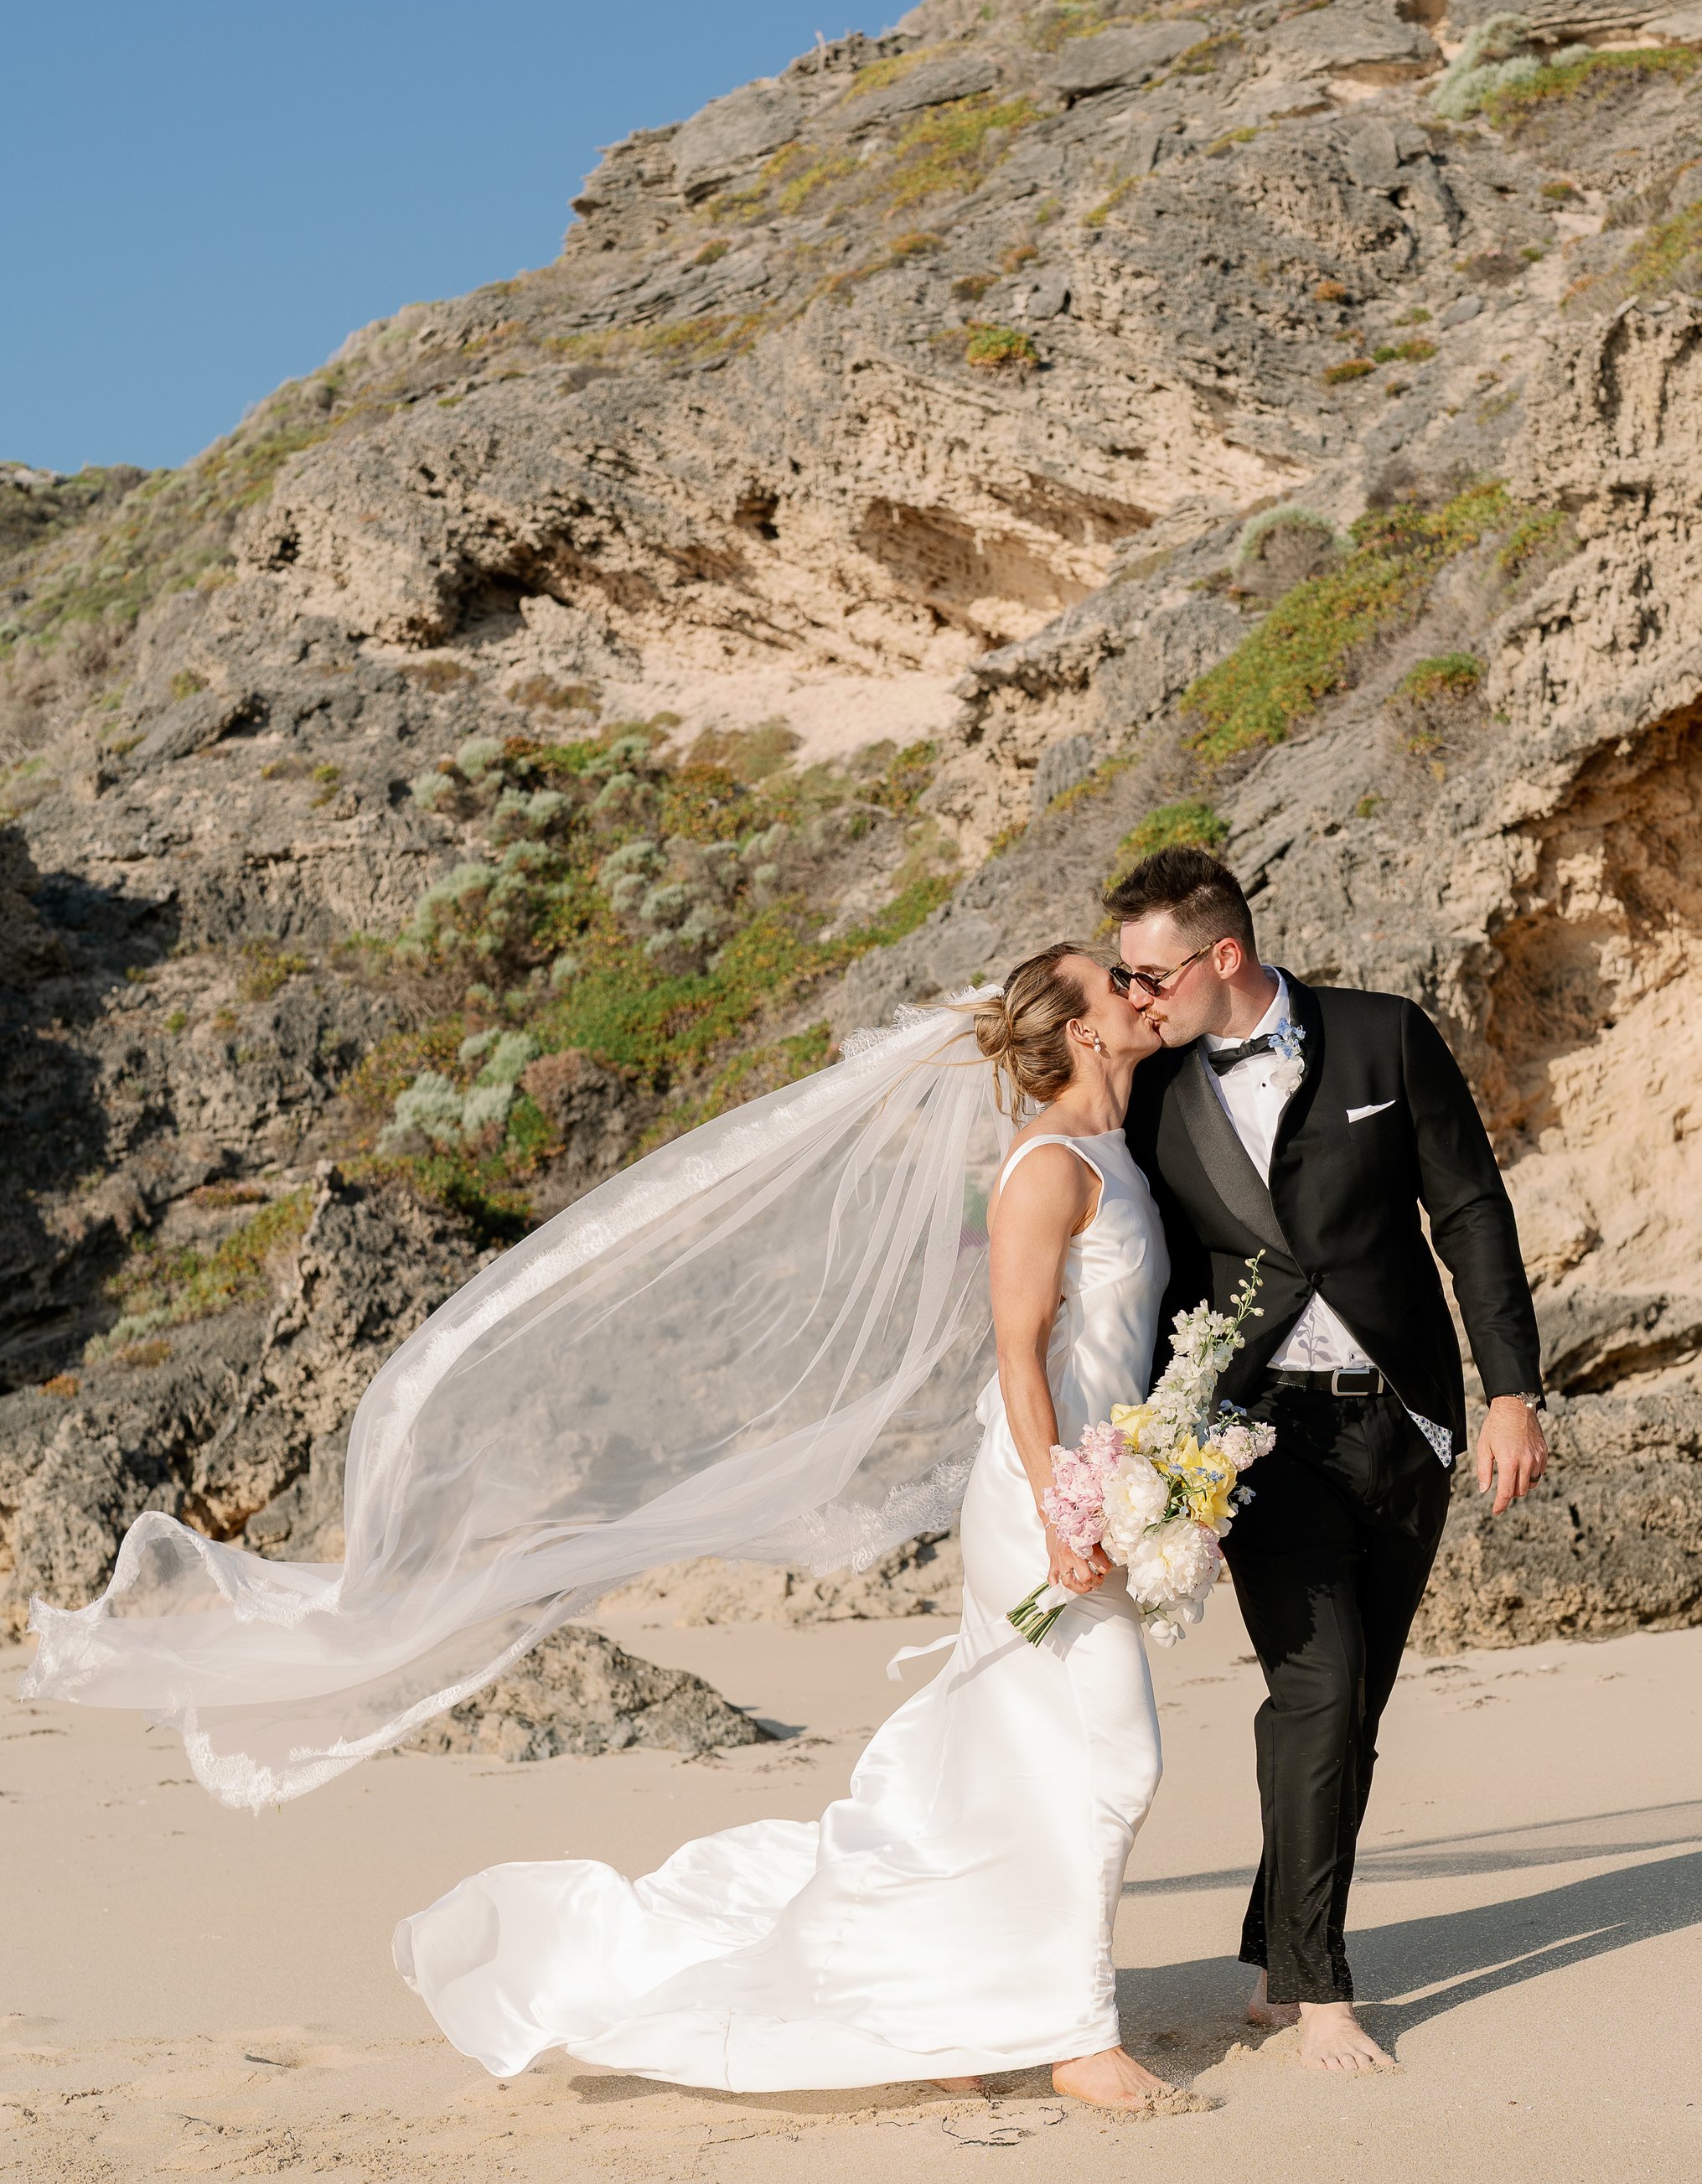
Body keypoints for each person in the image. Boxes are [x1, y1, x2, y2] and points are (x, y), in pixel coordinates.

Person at [27, 950, 1177, 2107]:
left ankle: (952, 2011)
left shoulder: (1119, 1145)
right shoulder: (1046, 1169)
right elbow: (1018, 1355)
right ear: (1079, 1030)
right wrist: (1062, 1505)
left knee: (1007, 1762)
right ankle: (1074, 2035)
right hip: (1047, 1499)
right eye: (1114, 981)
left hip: (1090, 1486)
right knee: (1113, 1753)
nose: (1136, 988)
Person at [1114, 846, 1547, 2077]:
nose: (1138, 997)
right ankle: (1315, 1989)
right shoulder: (1151, 1096)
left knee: (1357, 1706)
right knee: (1318, 1684)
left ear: (1224, 956)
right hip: (1257, 1433)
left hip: (1404, 1415)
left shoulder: (1383, 1037)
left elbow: (1468, 1209)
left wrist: (1510, 1388)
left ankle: (1273, 1938)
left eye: (1150, 975)